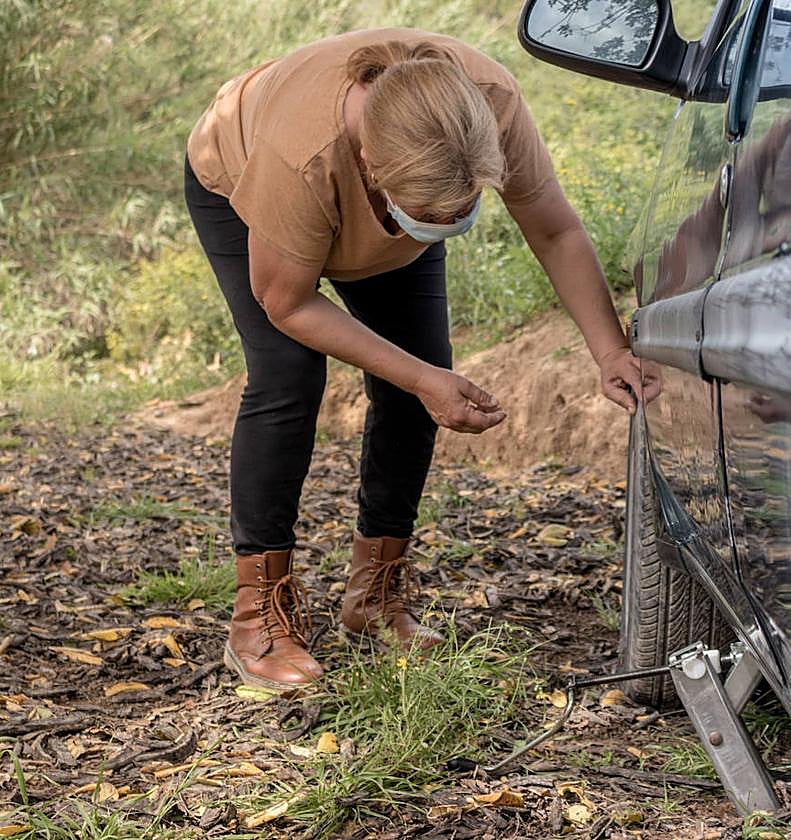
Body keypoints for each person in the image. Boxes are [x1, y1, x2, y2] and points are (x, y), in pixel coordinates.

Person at [184, 28, 660, 692]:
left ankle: (374, 598)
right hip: (243, 184)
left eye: (460, 210)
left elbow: (553, 225)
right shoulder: (300, 154)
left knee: (421, 373)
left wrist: (608, 348)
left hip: (385, 201)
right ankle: (257, 617)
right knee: (288, 375)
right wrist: (417, 376)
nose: (451, 218)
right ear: (371, 165)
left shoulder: (484, 105)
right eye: (433, 211)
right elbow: (286, 302)